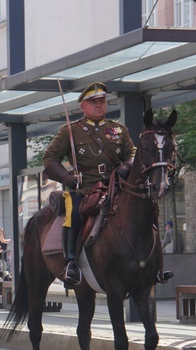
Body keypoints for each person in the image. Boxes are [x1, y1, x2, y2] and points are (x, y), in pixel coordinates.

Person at [43, 81, 138, 287]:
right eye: (93, 102)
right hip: (84, 188)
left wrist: (127, 165)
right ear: (83, 107)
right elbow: (49, 159)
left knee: (141, 208)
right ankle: (70, 263)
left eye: (102, 101)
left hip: (115, 186)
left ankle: (149, 263)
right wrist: (66, 178)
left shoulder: (118, 130)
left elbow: (132, 152)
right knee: (74, 213)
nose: (99, 105)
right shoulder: (71, 131)